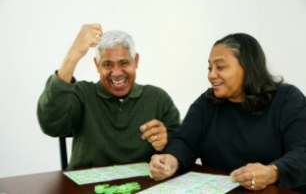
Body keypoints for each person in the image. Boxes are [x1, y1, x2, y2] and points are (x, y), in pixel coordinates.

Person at [148, 33, 306, 193]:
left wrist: (271, 172)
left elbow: (302, 152)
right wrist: (171, 159)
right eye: (210, 68)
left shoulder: (287, 98)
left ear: (247, 67)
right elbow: (185, 140)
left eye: (220, 67)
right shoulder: (207, 102)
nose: (211, 75)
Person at [37, 24, 180, 169]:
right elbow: (50, 124)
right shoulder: (81, 94)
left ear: (136, 61)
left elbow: (182, 146)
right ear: (97, 65)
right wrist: (73, 55)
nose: (116, 73)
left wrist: (167, 142)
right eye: (107, 64)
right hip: (86, 187)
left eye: (123, 63)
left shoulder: (158, 98)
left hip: (141, 186)